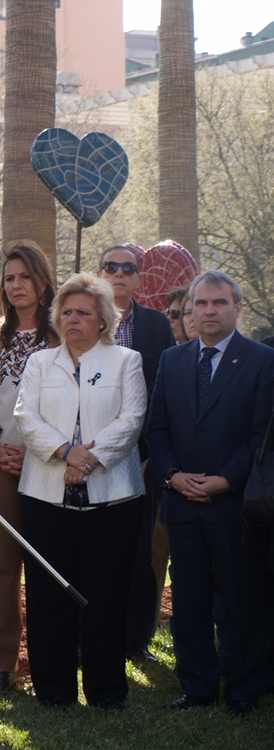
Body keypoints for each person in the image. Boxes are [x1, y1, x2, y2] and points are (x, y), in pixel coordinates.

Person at [14, 273, 146, 709]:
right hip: (45, 495)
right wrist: (65, 452)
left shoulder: (127, 361)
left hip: (113, 495)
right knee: (49, 592)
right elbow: (26, 417)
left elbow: (131, 420)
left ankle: (106, 690)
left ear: (102, 320)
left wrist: (88, 458)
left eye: (83, 312)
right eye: (66, 311)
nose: (73, 319)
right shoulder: (39, 363)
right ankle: (53, 690)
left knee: (106, 594)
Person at [146, 270, 274, 716]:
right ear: (190, 312)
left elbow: (261, 435)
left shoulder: (261, 360)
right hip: (180, 503)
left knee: (241, 602)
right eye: (200, 304)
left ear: (238, 309)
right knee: (189, 602)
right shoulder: (173, 360)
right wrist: (172, 476)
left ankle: (242, 688)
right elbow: (156, 429)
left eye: (219, 303)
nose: (208, 311)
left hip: (233, 505)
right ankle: (197, 686)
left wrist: (225, 480)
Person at [0, 240, 58, 694]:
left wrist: (38, 451)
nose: (16, 285)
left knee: (47, 562)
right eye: (9, 278)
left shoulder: (62, 331)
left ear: (42, 282)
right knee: (2, 565)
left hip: (47, 463)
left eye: (25, 276)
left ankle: (50, 660)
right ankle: (5, 666)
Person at [95, 245, 175, 664]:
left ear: (139, 278)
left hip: (141, 458)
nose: (120, 273)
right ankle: (90, 634)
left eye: (129, 268)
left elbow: (161, 393)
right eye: (112, 266)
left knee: (142, 554)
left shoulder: (157, 326)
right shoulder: (82, 317)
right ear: (100, 272)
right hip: (86, 456)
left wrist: (151, 453)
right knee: (93, 551)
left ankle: (136, 640)